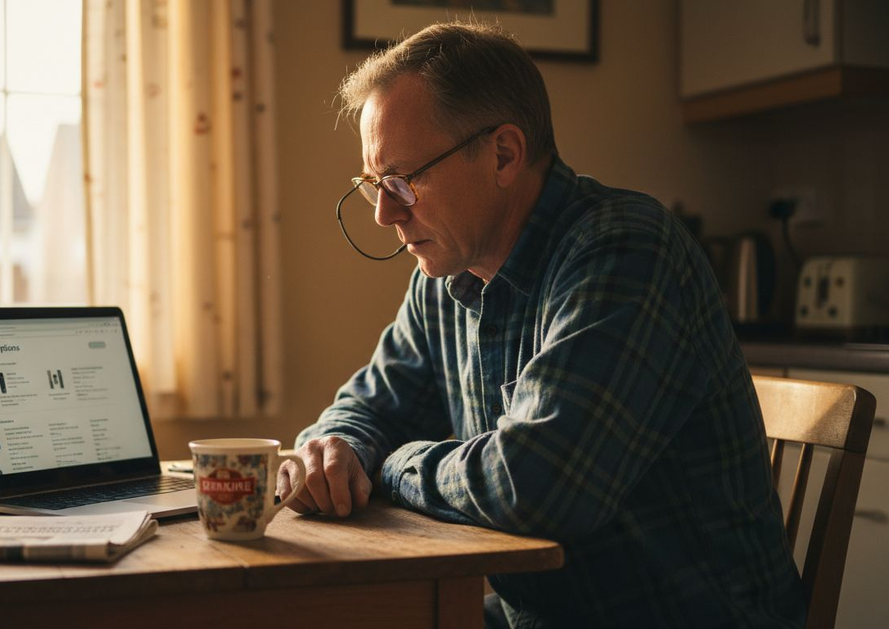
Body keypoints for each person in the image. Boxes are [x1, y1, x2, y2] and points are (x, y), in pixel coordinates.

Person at [277, 21, 805, 628]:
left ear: (504, 153)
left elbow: (537, 488)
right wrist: (337, 448)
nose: (384, 214)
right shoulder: (445, 274)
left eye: (403, 181)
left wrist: (393, 464)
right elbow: (369, 405)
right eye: (374, 184)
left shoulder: (626, 252)